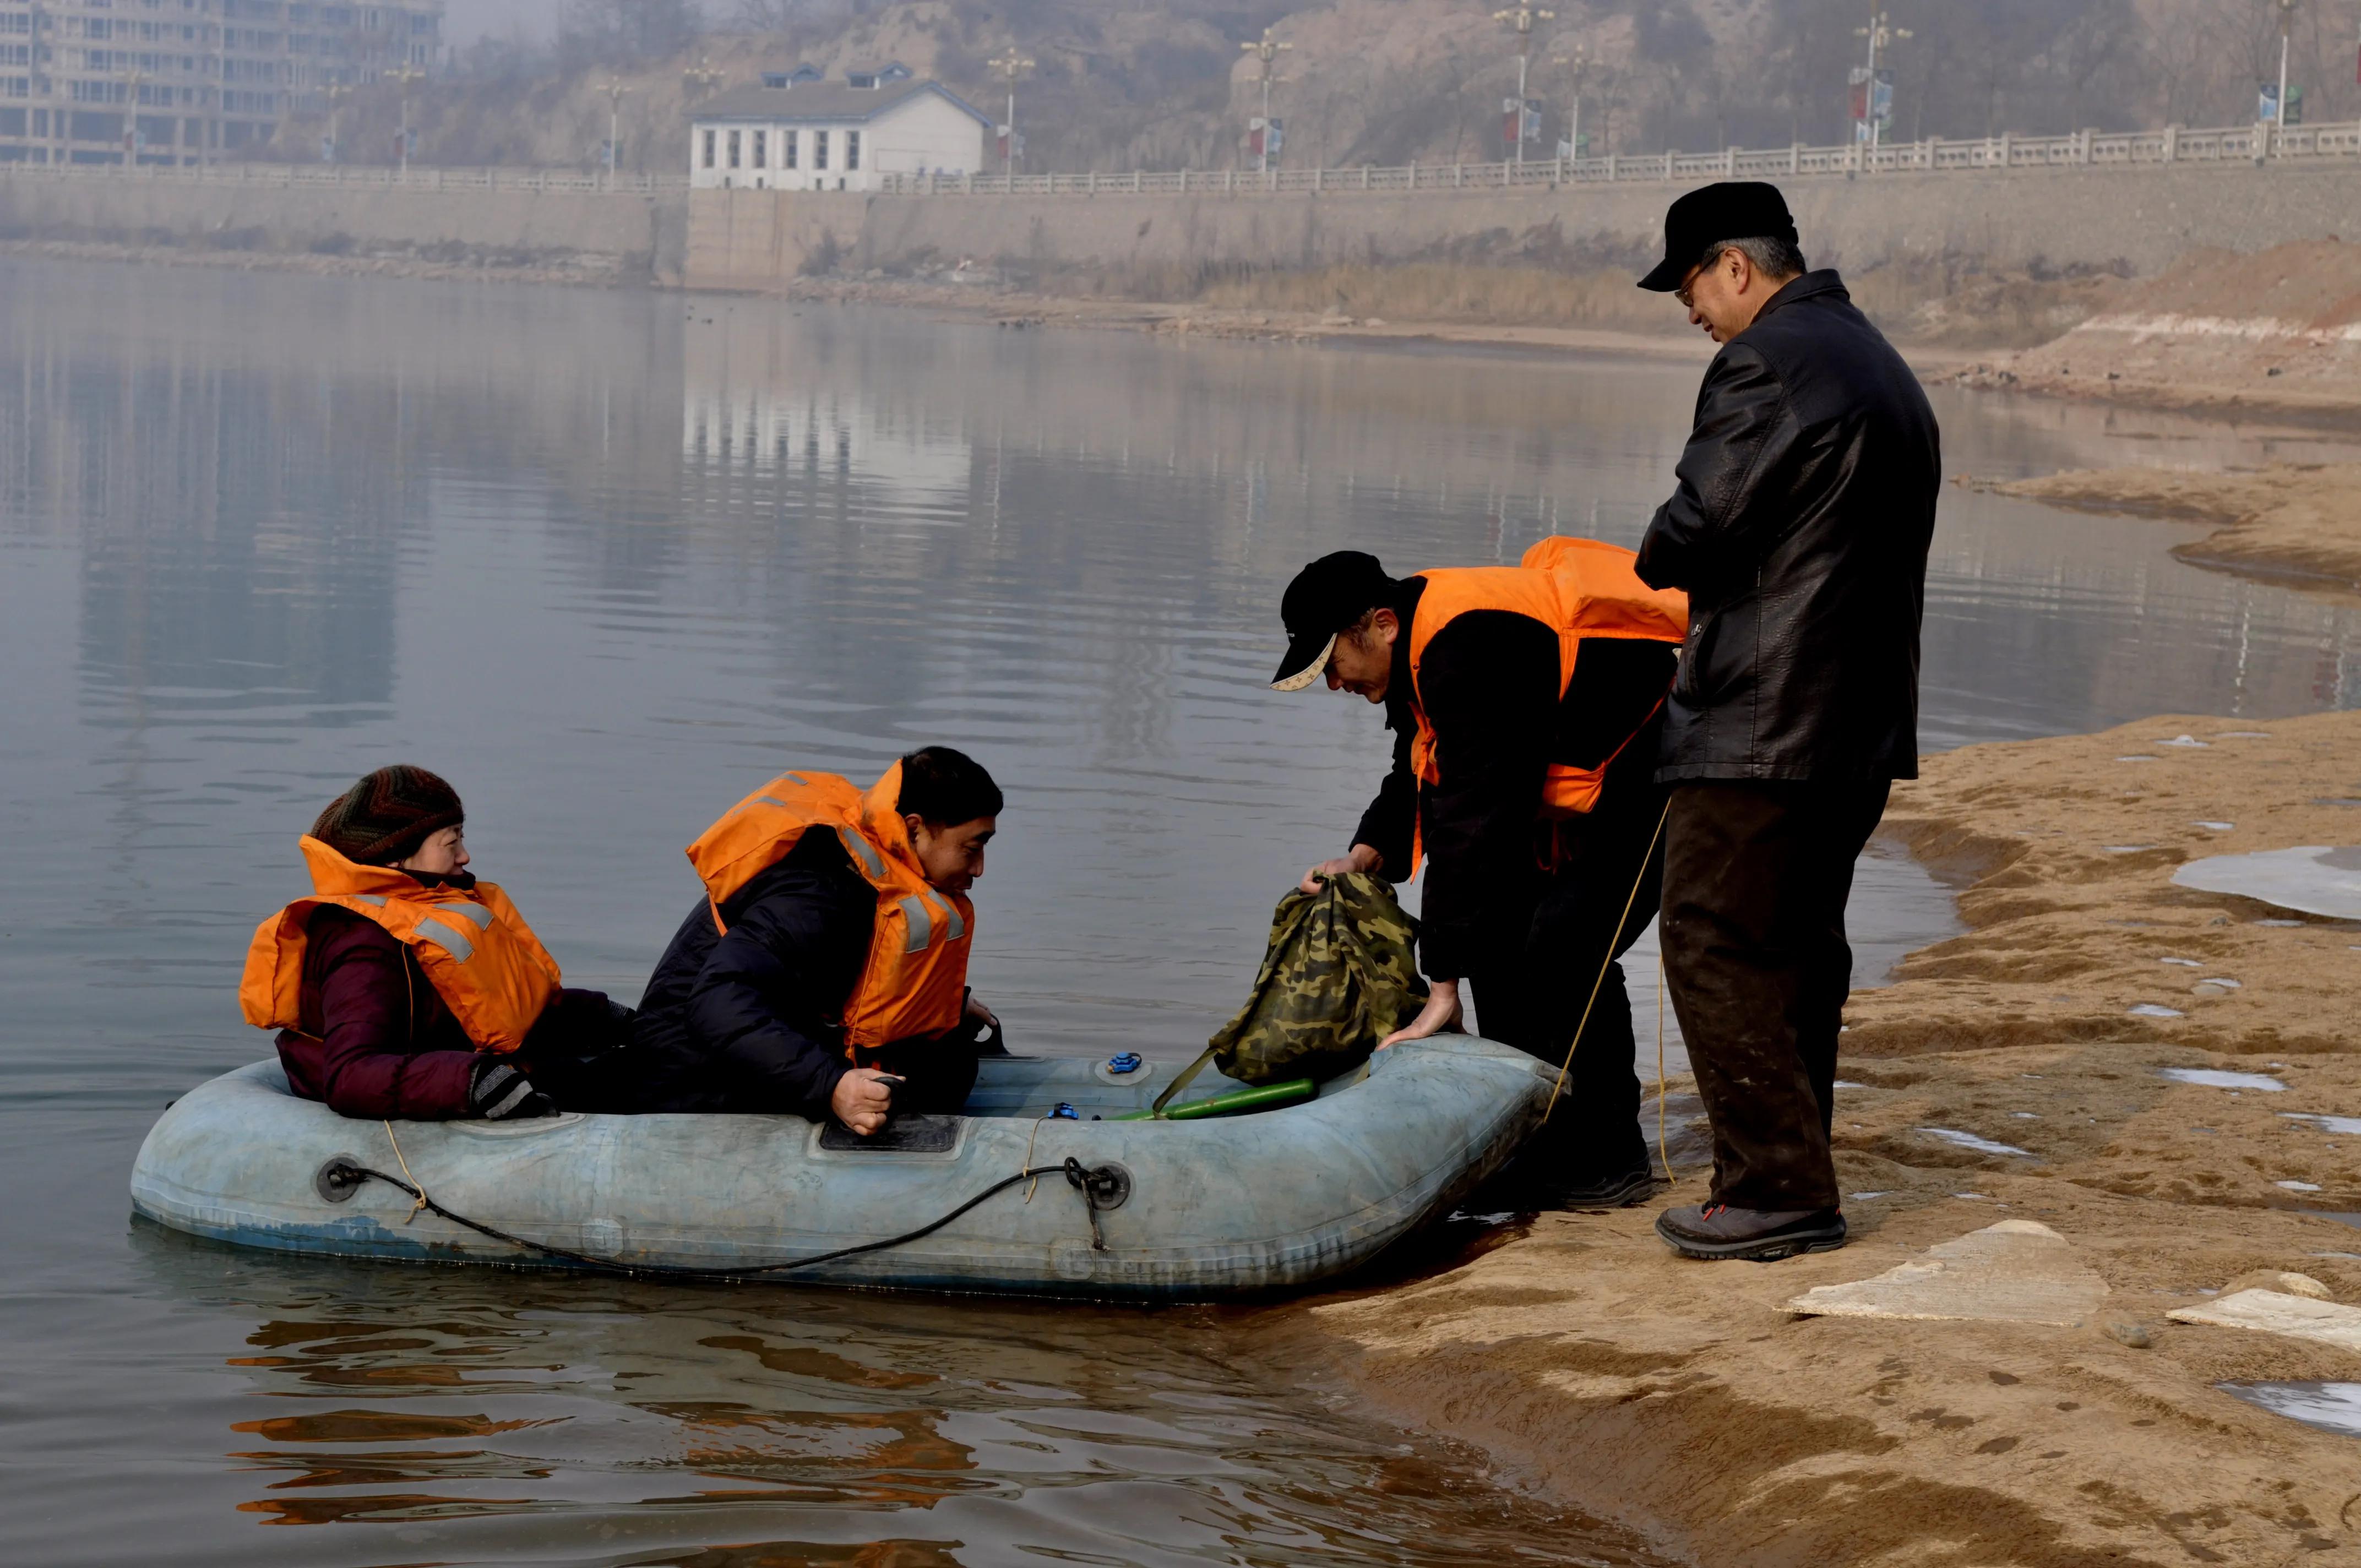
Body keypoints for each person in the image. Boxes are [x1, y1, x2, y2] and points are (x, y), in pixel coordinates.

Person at [1632, 182, 1941, 1261]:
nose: (1688, 311)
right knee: (1796, 945)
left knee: (1712, 934)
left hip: (1764, 712)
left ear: (1734, 265)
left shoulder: (1765, 359)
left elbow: (1696, 522)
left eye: (1687, 285)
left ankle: (1771, 1185)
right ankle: (1792, 1172)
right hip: (1853, 720)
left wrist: (1656, 556)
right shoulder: (1875, 362)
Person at [1271, 538, 1688, 1207]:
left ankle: (1610, 1158)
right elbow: (1422, 766)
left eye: (1333, 661)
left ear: (1380, 624)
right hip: (1584, 785)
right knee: (1500, 938)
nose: (1334, 682)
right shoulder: (1417, 651)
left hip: (1661, 771)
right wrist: (1364, 853)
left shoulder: (1469, 646)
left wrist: (1442, 978)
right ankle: (1529, 1140)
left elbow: (1475, 819)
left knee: (1566, 942)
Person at [631, 747, 1003, 1133]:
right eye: (972, 848)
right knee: (925, 1083)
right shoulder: (819, 895)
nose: (979, 868)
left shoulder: (878, 871)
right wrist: (833, 1085)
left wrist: (945, 1002)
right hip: (689, 1069)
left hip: (750, 1032)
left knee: (948, 1059)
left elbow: (845, 973)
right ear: (914, 829)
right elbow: (717, 1000)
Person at [243, 766, 633, 1121]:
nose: (465, 855)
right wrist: (473, 1080)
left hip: (485, 1069)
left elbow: (498, 1015)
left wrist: (607, 1016)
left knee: (649, 1073)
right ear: (395, 857)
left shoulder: (434, 910)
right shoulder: (361, 944)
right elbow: (351, 1076)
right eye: (451, 842)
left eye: (462, 837)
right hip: (425, 1100)